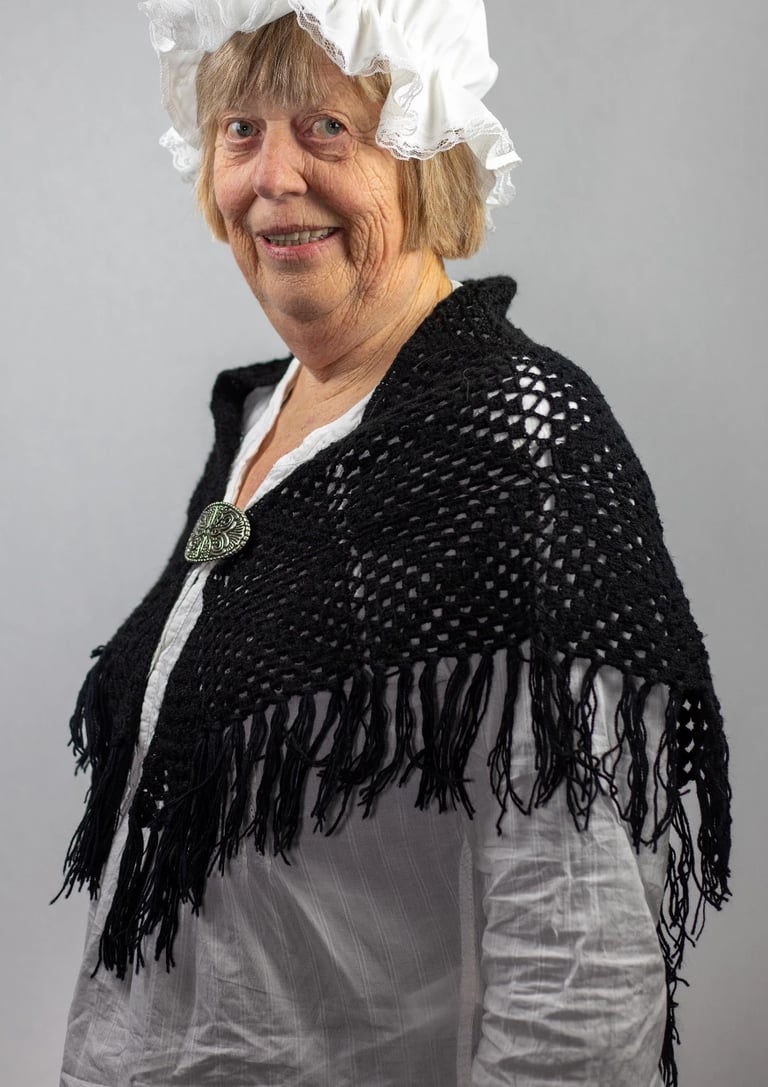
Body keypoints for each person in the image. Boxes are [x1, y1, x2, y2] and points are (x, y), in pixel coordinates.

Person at [58, 3, 731, 1085]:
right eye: (240, 129)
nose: (272, 176)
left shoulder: (520, 447)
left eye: (326, 127)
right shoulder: (266, 419)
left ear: (427, 149)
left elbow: (580, 970)